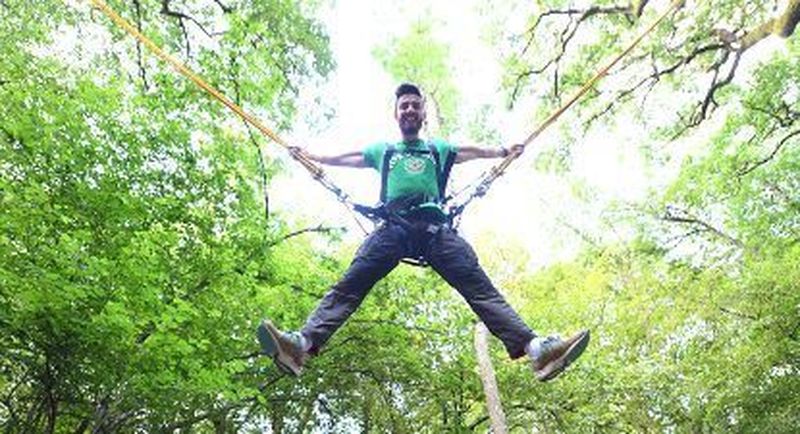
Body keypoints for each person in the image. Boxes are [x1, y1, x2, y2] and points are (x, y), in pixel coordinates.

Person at [257, 83, 589, 382]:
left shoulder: (436, 149)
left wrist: (503, 151)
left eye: (415, 105)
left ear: (423, 113)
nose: (410, 109)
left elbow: (469, 151)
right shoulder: (384, 151)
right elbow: (348, 157)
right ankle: (300, 345)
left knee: (479, 287)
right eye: (404, 105)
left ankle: (537, 349)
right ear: (396, 114)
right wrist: (310, 156)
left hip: (435, 231)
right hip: (393, 228)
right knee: (350, 285)